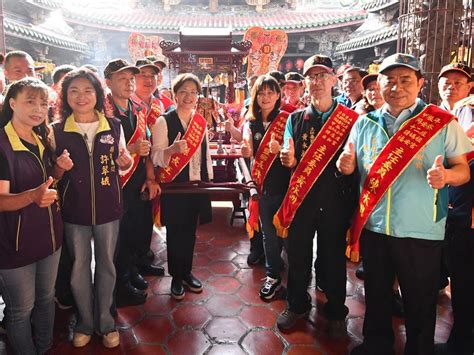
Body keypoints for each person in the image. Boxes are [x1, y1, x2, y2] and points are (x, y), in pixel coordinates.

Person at [338, 53, 471, 355]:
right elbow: (349, 162)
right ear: (379, 83)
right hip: (374, 227)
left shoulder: (440, 122)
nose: (396, 86)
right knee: (377, 295)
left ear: (421, 83)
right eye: (390, 80)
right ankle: (377, 345)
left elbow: (463, 171)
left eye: (405, 80)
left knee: (420, 300)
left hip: (420, 230)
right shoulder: (364, 123)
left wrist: (446, 176)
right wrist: (343, 165)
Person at [274, 55, 359, 338]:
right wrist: (287, 158)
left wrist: (352, 164)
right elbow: (288, 152)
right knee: (297, 256)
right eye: (312, 76)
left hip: (336, 202)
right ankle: (296, 304)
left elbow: (360, 157)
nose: (317, 82)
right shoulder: (295, 119)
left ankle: (336, 311)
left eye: (323, 76)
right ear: (306, 82)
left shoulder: (351, 121)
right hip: (302, 201)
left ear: (334, 80)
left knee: (333, 259)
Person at [50, 68, 132, 349]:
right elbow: (52, 176)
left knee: (107, 265)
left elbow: (126, 161)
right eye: (74, 91)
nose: (81, 96)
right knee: (79, 268)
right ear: (65, 96)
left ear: (98, 94)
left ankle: (106, 323)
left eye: (87, 90)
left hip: (109, 209)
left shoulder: (113, 126)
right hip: (74, 212)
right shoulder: (56, 131)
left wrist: (126, 163)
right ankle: (85, 321)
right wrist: (59, 169)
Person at [0, 77, 63, 354]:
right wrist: (32, 197)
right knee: (20, 310)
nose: (38, 108)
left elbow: (46, 184)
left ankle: (45, 346)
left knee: (46, 299)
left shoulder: (41, 138)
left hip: (49, 238)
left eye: (44, 103)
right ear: (12, 103)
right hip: (14, 245)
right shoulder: (2, 146)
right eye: (30, 101)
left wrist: (59, 170)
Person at [104, 59, 162, 307]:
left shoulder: (137, 110)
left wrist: (150, 178)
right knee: (119, 237)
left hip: (137, 181)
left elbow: (146, 149)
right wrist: (131, 148)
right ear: (108, 82)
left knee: (135, 230)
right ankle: (120, 286)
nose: (128, 84)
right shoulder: (103, 113)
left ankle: (131, 272)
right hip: (115, 185)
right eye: (122, 79)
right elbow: (101, 155)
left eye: (130, 79)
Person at [151, 73, 213, 300]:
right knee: (176, 232)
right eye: (184, 91)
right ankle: (176, 277)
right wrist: (171, 150)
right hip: (174, 186)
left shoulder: (200, 122)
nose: (189, 96)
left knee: (190, 232)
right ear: (175, 94)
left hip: (196, 185)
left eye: (193, 92)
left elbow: (205, 154)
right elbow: (155, 156)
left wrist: (209, 181)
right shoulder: (163, 121)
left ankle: (186, 272)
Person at [241, 75, 291, 300]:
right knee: (268, 234)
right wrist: (245, 153)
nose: (266, 97)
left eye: (271, 92)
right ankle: (272, 275)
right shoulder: (250, 123)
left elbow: (296, 154)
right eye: (261, 93)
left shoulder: (288, 120)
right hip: (262, 189)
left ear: (278, 95)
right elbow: (246, 154)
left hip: (286, 188)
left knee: (288, 235)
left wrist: (280, 148)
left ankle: (292, 273)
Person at [436, 63, 474, 355]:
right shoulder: (432, 115)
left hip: (466, 211)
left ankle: (461, 342)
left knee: (464, 278)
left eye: (458, 82)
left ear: (469, 86)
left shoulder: (469, 113)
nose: (451, 86)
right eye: (446, 81)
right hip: (442, 211)